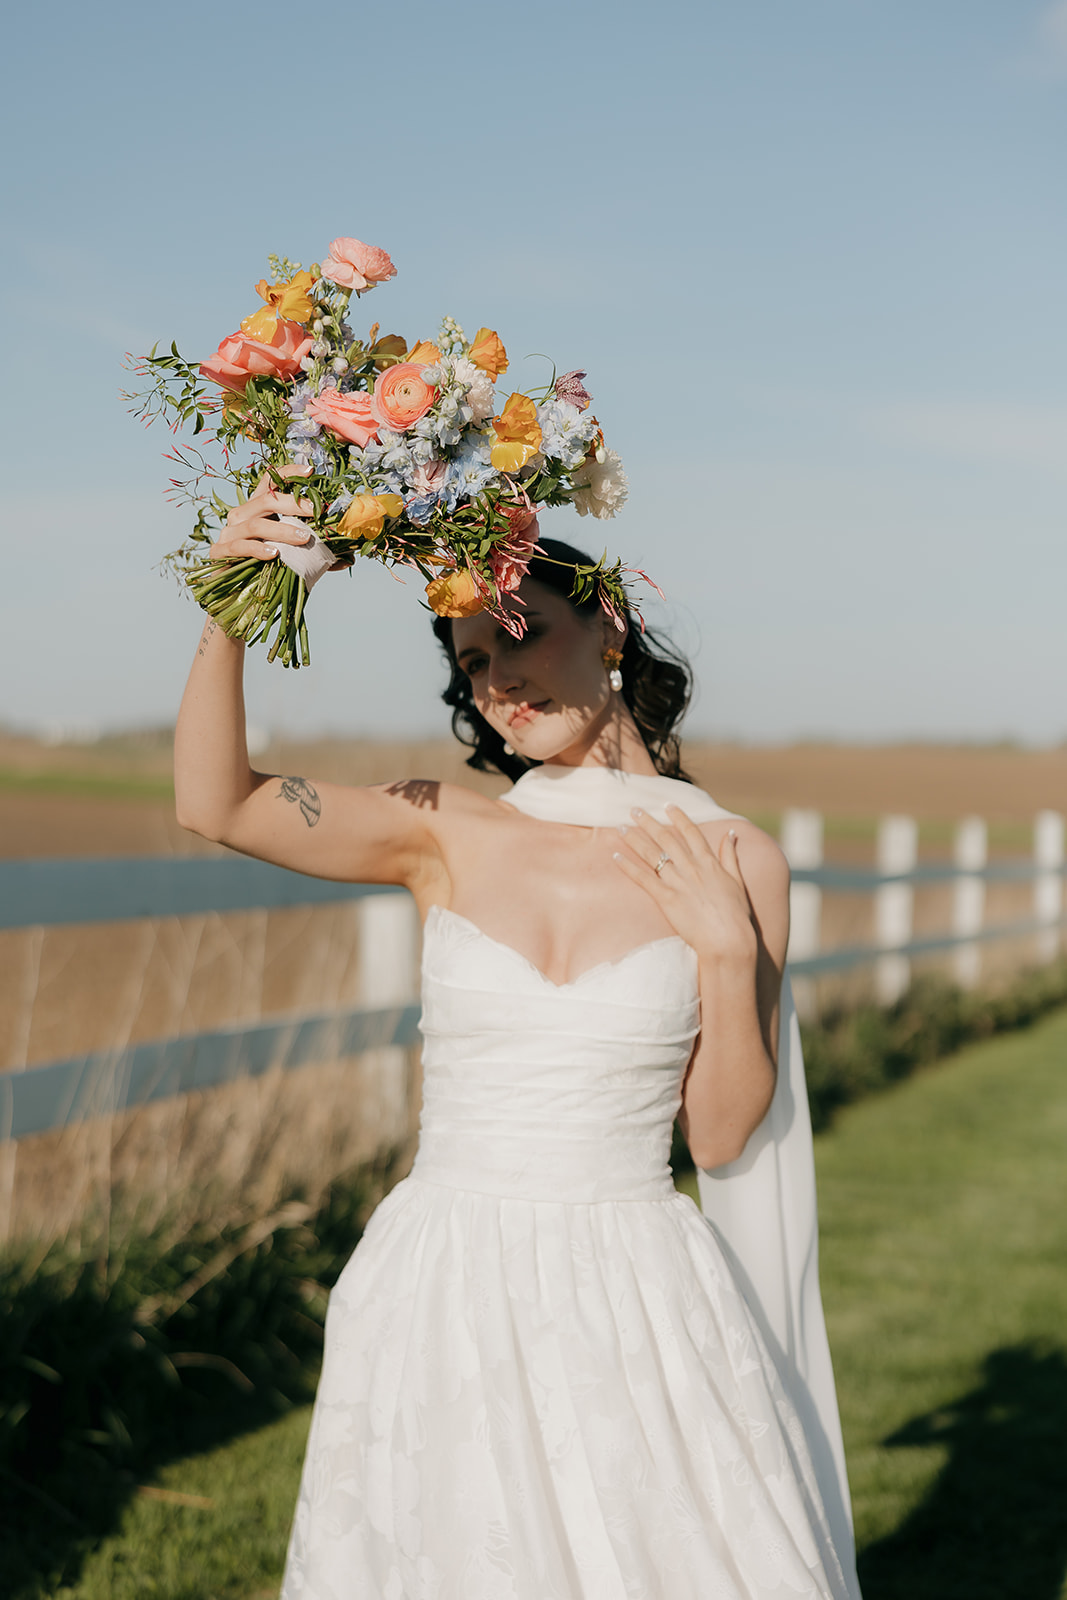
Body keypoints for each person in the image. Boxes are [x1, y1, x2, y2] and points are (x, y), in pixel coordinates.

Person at [174, 472, 862, 1600]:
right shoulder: (442, 829)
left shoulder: (734, 857)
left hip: (633, 1284)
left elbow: (725, 1136)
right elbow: (218, 805)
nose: (497, 680)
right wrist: (232, 604)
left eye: (518, 636)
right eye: (471, 664)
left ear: (609, 623)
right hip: (442, 1273)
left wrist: (726, 953)